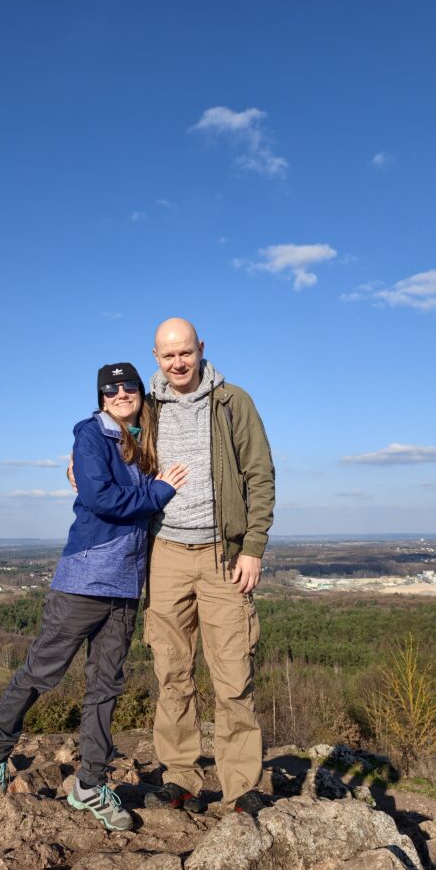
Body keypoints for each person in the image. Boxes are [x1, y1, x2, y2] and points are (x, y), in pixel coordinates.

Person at [0, 362, 187, 831]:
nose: (121, 393)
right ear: (101, 397)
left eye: (129, 386)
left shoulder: (145, 437)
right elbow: (101, 499)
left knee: (105, 686)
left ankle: (89, 784)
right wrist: (161, 491)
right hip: (84, 582)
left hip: (126, 587)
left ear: (141, 392)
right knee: (42, 672)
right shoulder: (91, 435)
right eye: (111, 389)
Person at [142, 318, 275, 816]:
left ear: (200, 349)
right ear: (156, 357)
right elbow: (107, 440)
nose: (178, 363)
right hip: (165, 553)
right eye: (168, 355)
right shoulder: (146, 408)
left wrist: (253, 547)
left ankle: (242, 787)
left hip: (224, 554)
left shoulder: (232, 401)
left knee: (233, 674)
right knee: (171, 670)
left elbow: (260, 474)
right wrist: (78, 464)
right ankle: (180, 778)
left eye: (185, 353)